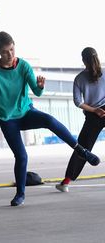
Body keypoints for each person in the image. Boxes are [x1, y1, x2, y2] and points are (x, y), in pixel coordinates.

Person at [0, 31, 100, 206]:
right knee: (22, 156)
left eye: (12, 49)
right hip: (7, 119)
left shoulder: (24, 65)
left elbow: (37, 91)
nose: (10, 54)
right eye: (5, 52)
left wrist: (40, 86)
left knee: (48, 120)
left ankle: (81, 150)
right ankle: (20, 194)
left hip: (26, 113)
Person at [56, 47, 105, 192]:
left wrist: (95, 110)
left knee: (83, 148)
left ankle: (66, 183)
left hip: (93, 115)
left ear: (83, 60)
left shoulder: (79, 78)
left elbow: (78, 102)